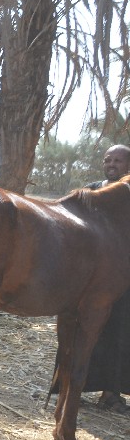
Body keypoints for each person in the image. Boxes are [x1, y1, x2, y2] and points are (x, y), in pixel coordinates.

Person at [51, 144, 130, 412]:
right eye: (108, 159)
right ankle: (68, 388)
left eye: (118, 160)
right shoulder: (91, 190)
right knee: (75, 331)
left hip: (120, 278)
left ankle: (110, 394)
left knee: (118, 334)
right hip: (86, 276)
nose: (111, 164)